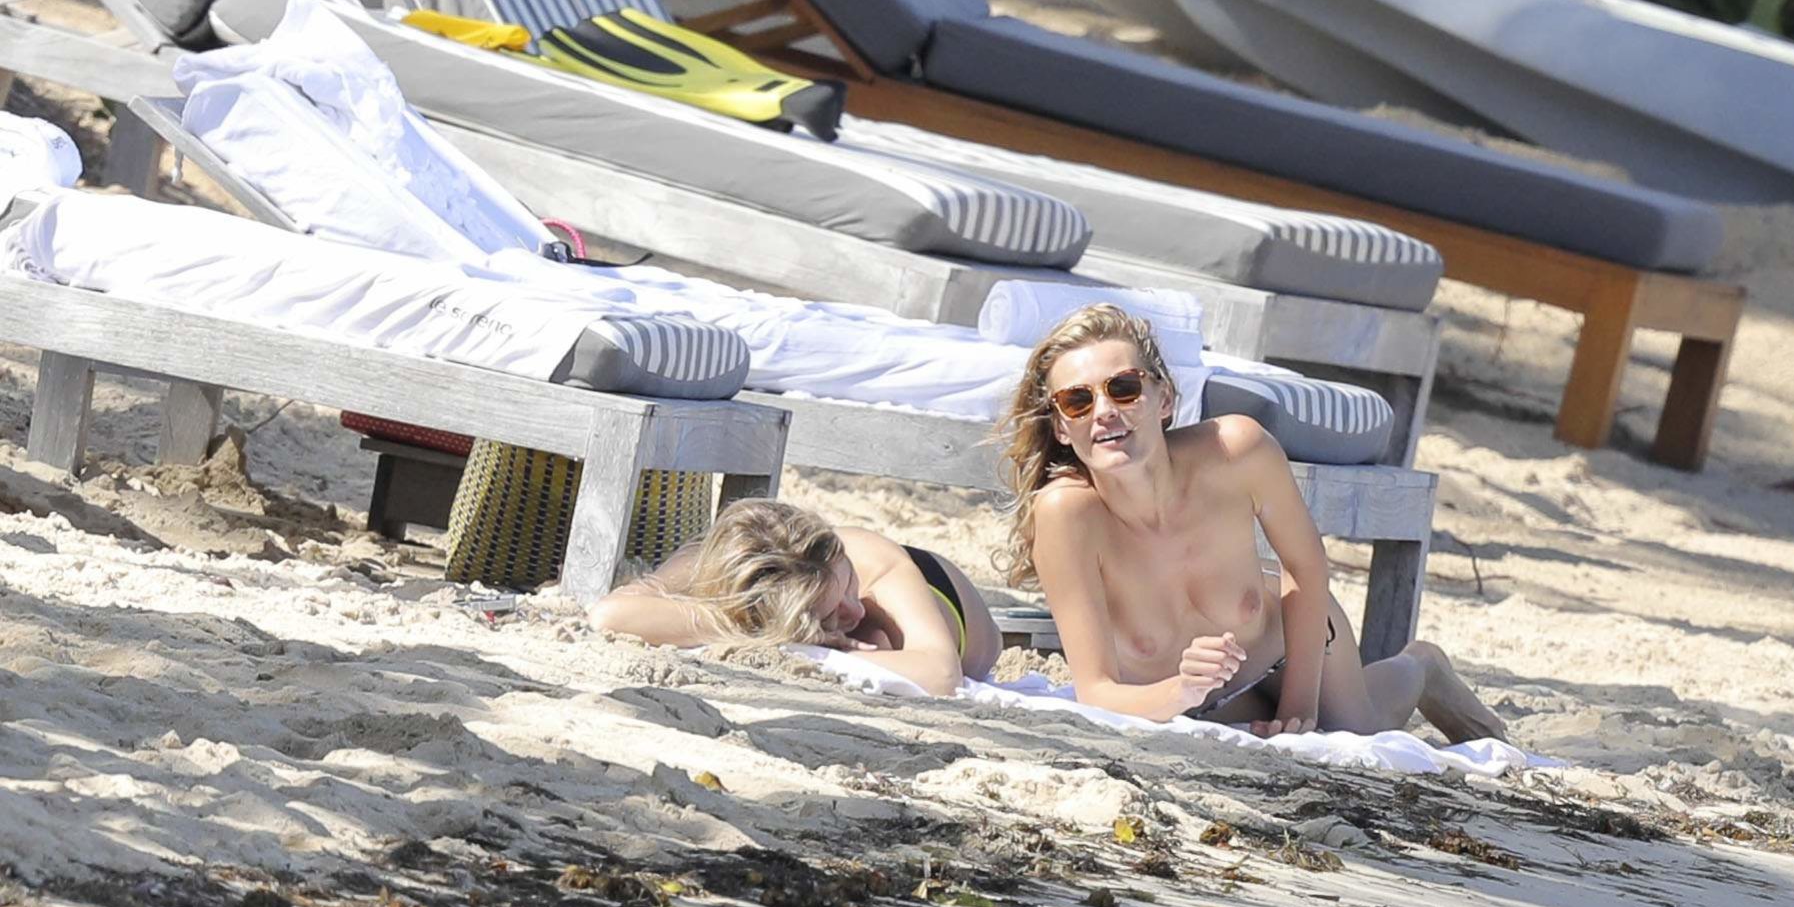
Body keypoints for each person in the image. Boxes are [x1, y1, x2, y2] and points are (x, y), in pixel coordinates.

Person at [995, 304, 1506, 742]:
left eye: (1124, 388)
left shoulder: (1236, 450)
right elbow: (1096, 692)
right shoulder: (1066, 515)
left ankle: (1421, 666)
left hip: (1292, 647)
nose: (1104, 412)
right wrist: (1182, 690)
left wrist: (1300, 704)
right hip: (1196, 702)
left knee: (1356, 728)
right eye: (1078, 401)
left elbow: (1305, 565)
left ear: (1164, 398)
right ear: (1061, 427)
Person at [588, 499, 1000, 697]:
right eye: (830, 615)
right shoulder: (724, 560)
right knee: (876, 642)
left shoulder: (873, 561)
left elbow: (940, 674)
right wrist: (779, 635)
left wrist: (822, 644)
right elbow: (610, 614)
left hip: (943, 594)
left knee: (878, 636)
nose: (855, 609)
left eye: (847, 585)